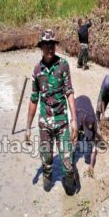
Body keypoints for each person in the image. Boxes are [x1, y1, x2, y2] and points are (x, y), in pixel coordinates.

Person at [25, 29, 78, 195]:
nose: (50, 48)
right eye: (46, 45)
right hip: (44, 124)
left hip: (62, 122)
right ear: (41, 47)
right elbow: (34, 99)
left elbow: (69, 92)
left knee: (68, 166)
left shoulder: (63, 65)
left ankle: (69, 183)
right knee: (47, 159)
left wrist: (74, 120)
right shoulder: (37, 71)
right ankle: (47, 175)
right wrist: (27, 127)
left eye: (52, 45)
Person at [75, 95, 104, 177]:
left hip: (87, 102)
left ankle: (88, 160)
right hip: (78, 103)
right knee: (78, 140)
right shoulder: (77, 118)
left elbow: (94, 146)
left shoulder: (94, 121)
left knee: (88, 147)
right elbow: (71, 137)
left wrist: (91, 165)